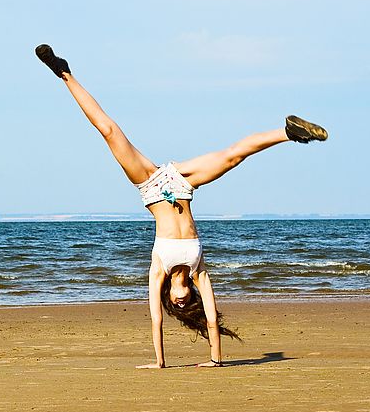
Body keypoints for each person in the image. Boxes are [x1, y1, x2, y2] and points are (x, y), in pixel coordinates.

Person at [35, 44, 328, 369]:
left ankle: (63, 73)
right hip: (181, 184)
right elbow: (213, 319)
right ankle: (290, 133)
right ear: (191, 298)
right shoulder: (199, 272)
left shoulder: (158, 271)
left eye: (177, 303)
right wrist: (216, 360)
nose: (180, 299)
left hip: (150, 186)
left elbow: (156, 321)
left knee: (109, 131)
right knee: (234, 156)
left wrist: (159, 363)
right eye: (185, 301)